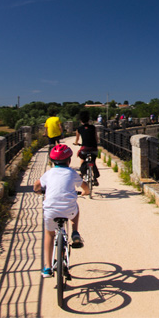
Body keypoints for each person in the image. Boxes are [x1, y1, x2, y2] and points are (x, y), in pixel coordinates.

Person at [34, 144, 89, 278]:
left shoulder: (48, 173)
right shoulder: (72, 173)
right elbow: (85, 186)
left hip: (50, 211)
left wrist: (38, 191)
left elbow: (36, 185)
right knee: (75, 207)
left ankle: (47, 267)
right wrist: (85, 192)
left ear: (52, 161)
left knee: (49, 234)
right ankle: (75, 232)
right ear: (69, 160)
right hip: (68, 210)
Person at [73, 111, 100, 185]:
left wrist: (76, 143)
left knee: (82, 158)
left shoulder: (79, 129)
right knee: (93, 161)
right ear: (88, 120)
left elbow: (77, 139)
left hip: (85, 148)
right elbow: (96, 138)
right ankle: (94, 178)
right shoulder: (93, 127)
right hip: (93, 148)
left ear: (81, 120)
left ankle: (82, 173)